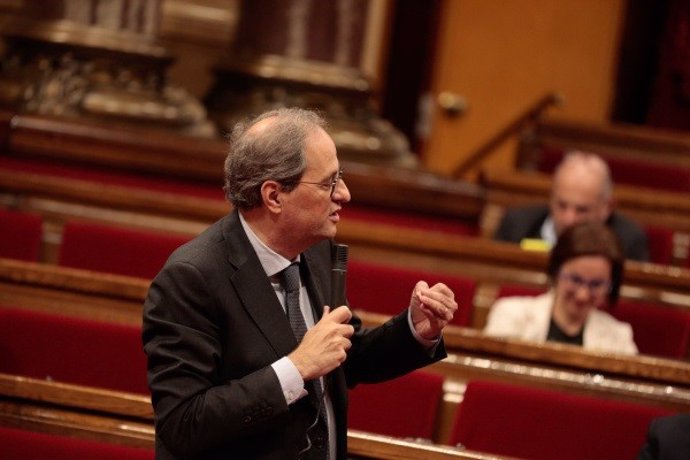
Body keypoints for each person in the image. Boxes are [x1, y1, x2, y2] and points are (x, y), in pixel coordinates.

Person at [142, 107, 458, 460]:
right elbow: (183, 424)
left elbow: (343, 358)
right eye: (329, 183)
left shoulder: (316, 251)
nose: (345, 195)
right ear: (274, 196)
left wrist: (416, 329)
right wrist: (295, 369)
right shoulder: (192, 277)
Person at [484, 221, 638, 355]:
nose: (582, 295)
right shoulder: (511, 315)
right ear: (556, 272)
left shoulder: (619, 338)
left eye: (596, 285)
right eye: (575, 280)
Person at [493, 150, 649, 262]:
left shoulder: (627, 241)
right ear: (551, 198)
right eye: (561, 205)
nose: (569, 219)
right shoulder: (516, 225)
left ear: (607, 208)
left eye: (582, 210)